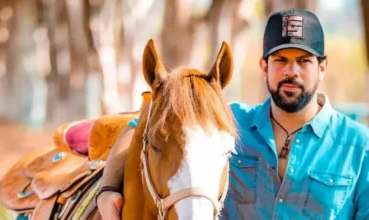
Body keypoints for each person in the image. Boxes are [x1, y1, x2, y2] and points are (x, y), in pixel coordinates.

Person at [96, 8, 369, 219]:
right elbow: (138, 127)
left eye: (303, 61)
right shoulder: (224, 123)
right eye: (281, 60)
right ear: (264, 66)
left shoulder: (360, 147)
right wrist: (107, 190)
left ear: (322, 67)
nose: (291, 72)